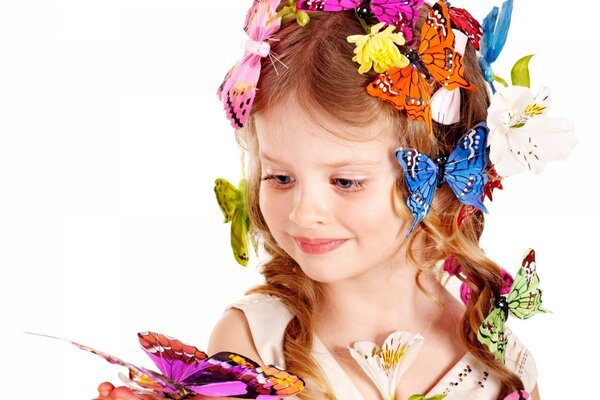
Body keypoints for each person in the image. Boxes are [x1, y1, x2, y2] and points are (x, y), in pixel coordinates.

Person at [96, 1, 547, 399]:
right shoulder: (256, 343)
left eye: (346, 181)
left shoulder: (497, 357)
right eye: (280, 176)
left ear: (444, 180)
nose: (303, 212)